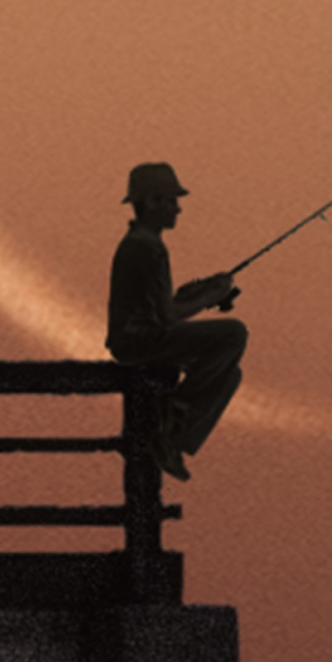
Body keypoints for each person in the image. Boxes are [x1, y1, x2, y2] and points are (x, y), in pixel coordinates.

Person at [105, 162, 247, 481]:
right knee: (233, 334)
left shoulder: (143, 244)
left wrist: (200, 292)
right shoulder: (145, 248)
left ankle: (172, 441)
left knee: (229, 374)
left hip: (142, 338)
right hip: (139, 343)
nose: (178, 209)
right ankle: (175, 417)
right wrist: (208, 299)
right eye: (171, 200)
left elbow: (160, 306)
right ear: (152, 202)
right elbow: (166, 317)